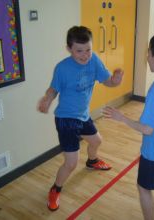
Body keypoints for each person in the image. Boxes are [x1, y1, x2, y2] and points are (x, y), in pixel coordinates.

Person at [37, 26, 124, 211]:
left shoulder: (94, 61)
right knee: (71, 163)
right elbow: (53, 89)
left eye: (88, 50)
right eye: (79, 51)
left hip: (83, 116)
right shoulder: (62, 68)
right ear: (69, 49)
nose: (85, 55)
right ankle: (55, 189)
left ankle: (92, 161)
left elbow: (107, 80)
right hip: (66, 120)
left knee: (97, 141)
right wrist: (47, 99)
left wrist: (115, 81)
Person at [103, 32, 154, 220]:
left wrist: (121, 117)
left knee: (144, 187)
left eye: (148, 54)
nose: (146, 58)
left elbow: (148, 129)